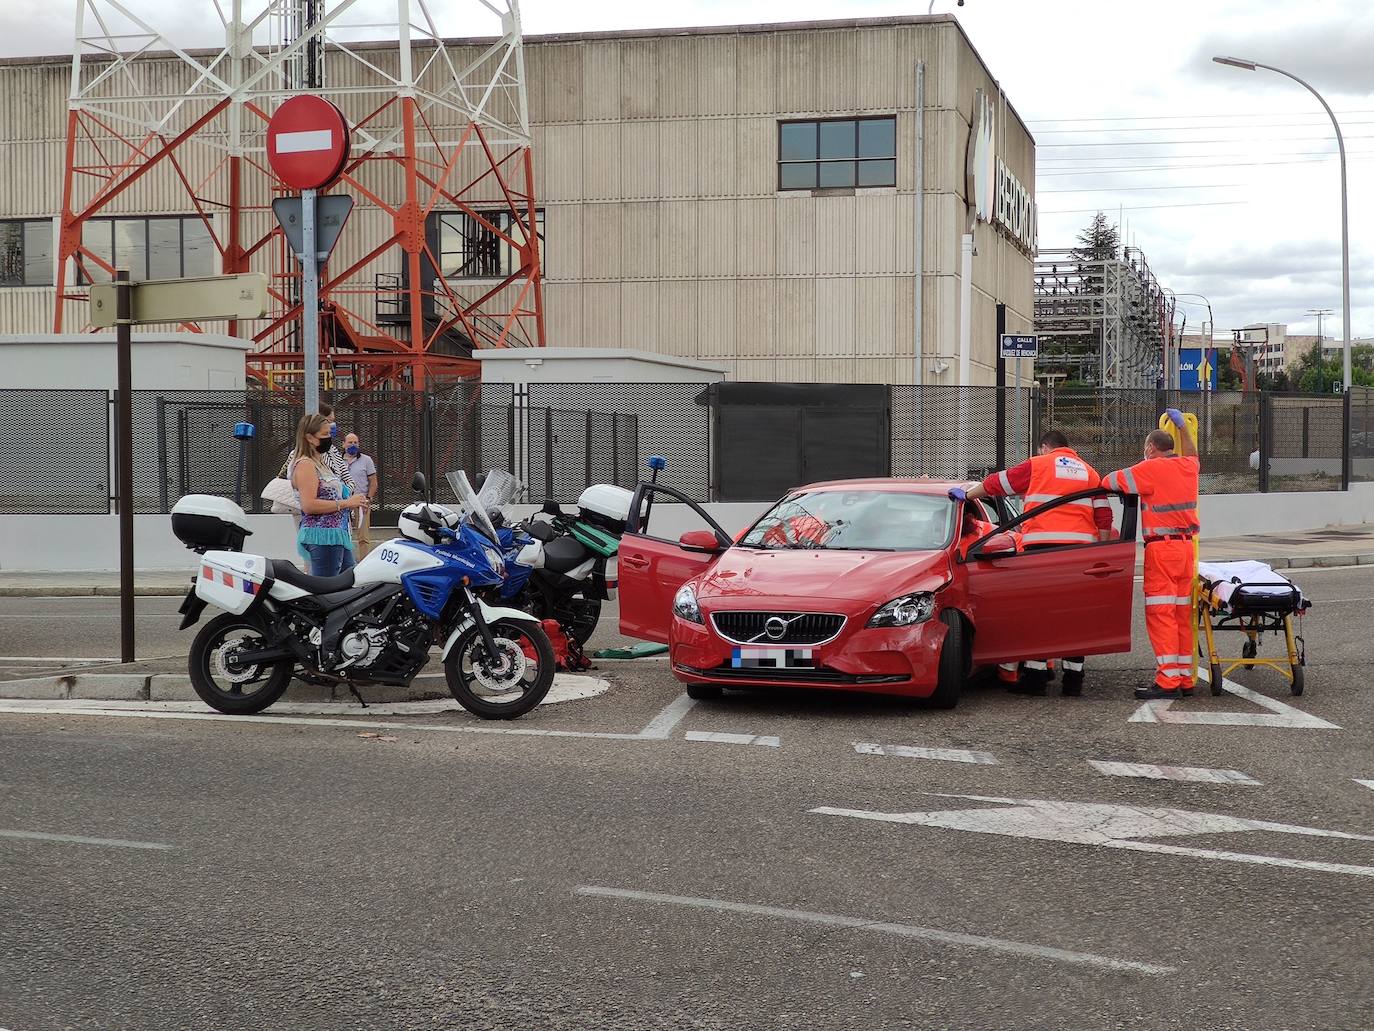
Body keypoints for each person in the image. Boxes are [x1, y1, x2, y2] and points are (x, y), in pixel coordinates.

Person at [951, 429, 1113, 697]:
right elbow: (1104, 515)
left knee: (1043, 615)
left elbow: (998, 483)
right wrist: (1101, 550)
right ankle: (1073, 681)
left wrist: (967, 495)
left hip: (1042, 551)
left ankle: (1036, 679)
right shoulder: (1089, 472)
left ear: (1043, 448)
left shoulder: (1039, 464)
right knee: (1074, 616)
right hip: (1079, 555)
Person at [1102, 410, 1200, 700]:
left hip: (1162, 550)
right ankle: (1184, 678)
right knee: (1182, 615)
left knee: (1161, 615)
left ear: (1150, 448)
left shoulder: (1149, 469)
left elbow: (1109, 481)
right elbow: (1193, 453)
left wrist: (1144, 464)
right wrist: (1183, 427)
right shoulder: (1187, 466)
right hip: (1185, 550)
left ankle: (1168, 681)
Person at [290, 413, 368, 578]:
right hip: (322, 536)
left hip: (337, 535)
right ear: (309, 438)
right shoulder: (305, 465)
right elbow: (309, 505)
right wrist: (346, 503)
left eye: (329, 434)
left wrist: (355, 502)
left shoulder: (322, 463)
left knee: (350, 581)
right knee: (327, 589)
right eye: (324, 435)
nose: (329, 439)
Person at [342, 431, 378, 558]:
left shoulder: (366, 460)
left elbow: (373, 481)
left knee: (363, 536)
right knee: (343, 534)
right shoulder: (338, 461)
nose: (353, 445)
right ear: (343, 444)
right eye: (350, 442)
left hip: (362, 502)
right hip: (344, 502)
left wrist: (369, 498)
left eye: (355, 442)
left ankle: (363, 561)